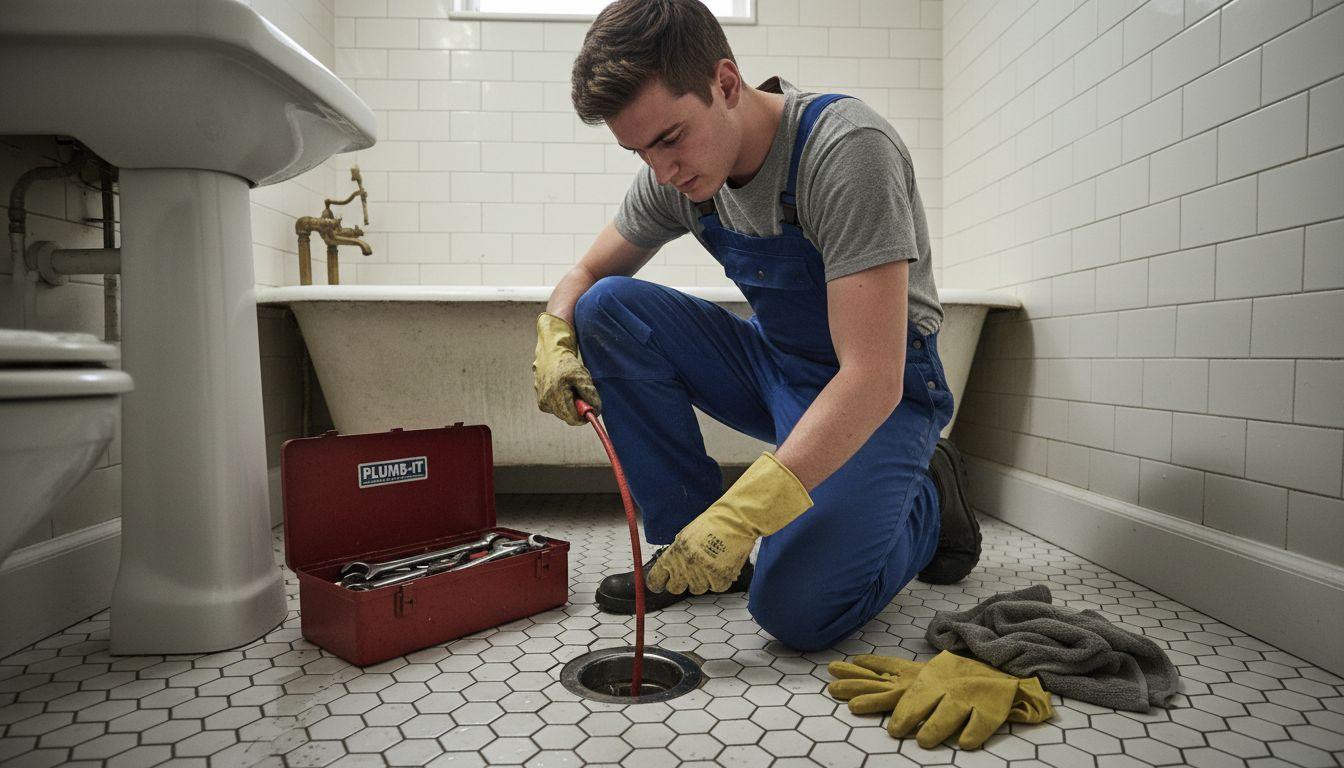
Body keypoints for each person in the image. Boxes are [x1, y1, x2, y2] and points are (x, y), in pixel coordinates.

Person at [531, 0, 980, 652]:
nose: (663, 172)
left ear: (726, 84)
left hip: (882, 396)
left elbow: (873, 377)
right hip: (781, 373)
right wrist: (553, 330)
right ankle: (692, 553)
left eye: (669, 139)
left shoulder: (845, 152)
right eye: (638, 151)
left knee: (795, 611)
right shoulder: (677, 174)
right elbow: (585, 273)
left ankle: (929, 502)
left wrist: (748, 513)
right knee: (606, 309)